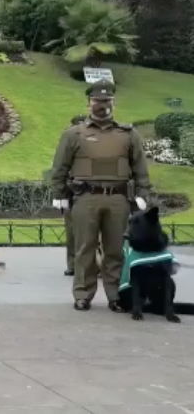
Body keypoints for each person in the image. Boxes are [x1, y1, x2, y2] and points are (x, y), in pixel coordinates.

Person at [50, 79, 151, 312]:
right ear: (88, 103)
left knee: (115, 249)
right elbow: (60, 167)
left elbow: (140, 168)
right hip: (86, 198)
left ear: (113, 103)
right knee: (84, 247)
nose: (102, 105)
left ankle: (115, 295)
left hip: (118, 199)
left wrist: (143, 194)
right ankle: (83, 294)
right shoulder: (74, 134)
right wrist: (60, 194)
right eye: (97, 100)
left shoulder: (128, 134)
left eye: (107, 101)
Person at [63, 114, 87, 277]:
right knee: (72, 233)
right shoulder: (67, 144)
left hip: (90, 195)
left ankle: (91, 264)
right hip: (71, 195)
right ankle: (73, 265)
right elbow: (61, 170)